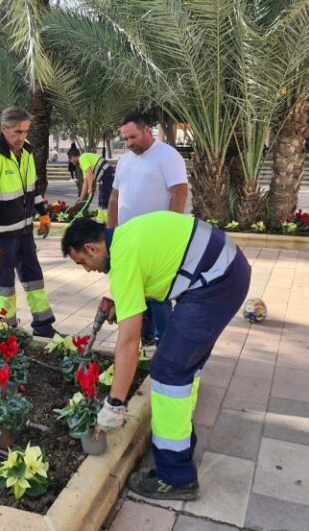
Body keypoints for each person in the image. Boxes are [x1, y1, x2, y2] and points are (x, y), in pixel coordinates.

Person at [61, 213, 251, 500]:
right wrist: (121, 298)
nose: (87, 270)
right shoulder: (125, 238)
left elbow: (128, 342)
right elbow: (153, 270)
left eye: (83, 263)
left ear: (91, 248)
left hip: (216, 281)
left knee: (168, 369)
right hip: (225, 269)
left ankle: (176, 477)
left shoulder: (123, 259)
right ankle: (179, 442)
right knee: (184, 362)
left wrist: (115, 403)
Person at [0, 107, 60, 338]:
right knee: (5, 282)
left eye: (25, 131)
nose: (22, 137)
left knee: (34, 277)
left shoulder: (27, 152)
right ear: (4, 128)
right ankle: (6, 328)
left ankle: (44, 326)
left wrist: (43, 213)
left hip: (24, 232)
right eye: (17, 131)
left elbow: (32, 189)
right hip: (2, 236)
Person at [108, 110, 188, 346]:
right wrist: (111, 233)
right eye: (125, 139)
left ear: (146, 130)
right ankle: (145, 340)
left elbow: (179, 192)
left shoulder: (168, 156)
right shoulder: (124, 160)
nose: (129, 143)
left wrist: (170, 232)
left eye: (133, 137)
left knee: (159, 295)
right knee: (136, 292)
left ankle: (167, 344)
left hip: (157, 240)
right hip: (128, 239)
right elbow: (114, 197)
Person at [67, 146, 115, 223]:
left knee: (105, 200)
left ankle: (108, 222)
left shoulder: (82, 157)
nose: (72, 162)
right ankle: (102, 222)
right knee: (102, 200)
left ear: (72, 157)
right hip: (105, 176)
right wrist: (81, 197)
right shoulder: (82, 165)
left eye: (70, 160)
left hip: (107, 175)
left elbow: (89, 173)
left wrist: (90, 188)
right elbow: (86, 181)